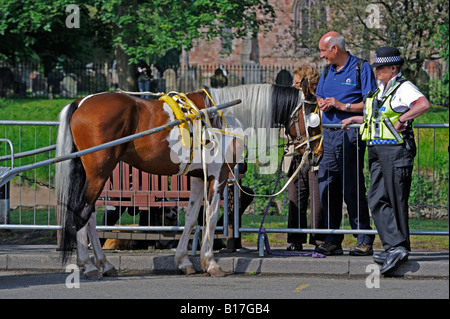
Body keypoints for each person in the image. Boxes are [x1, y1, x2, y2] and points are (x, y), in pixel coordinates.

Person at [342, 46, 430, 274]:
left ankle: (397, 248)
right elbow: (377, 117)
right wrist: (355, 117)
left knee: (395, 200)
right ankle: (394, 246)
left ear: (393, 68)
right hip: (378, 151)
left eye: (381, 67)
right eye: (376, 67)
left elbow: (423, 104)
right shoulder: (381, 90)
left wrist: (404, 118)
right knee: (377, 199)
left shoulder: (404, 87)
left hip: (396, 152)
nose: (377, 71)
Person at [315, 31, 377, 256]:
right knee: (328, 186)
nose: (321, 56)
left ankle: (363, 237)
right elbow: (320, 96)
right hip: (329, 136)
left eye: (323, 50)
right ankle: (332, 238)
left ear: (334, 49)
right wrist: (322, 102)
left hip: (350, 135)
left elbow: (371, 104)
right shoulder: (327, 71)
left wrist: (342, 106)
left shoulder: (361, 68)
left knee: (351, 185)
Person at [286, 65, 325, 251]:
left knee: (316, 197)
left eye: (296, 83)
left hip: (316, 154)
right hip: (296, 156)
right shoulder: (292, 105)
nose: (293, 87)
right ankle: (295, 238)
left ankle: (319, 239)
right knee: (296, 195)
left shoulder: (317, 103)